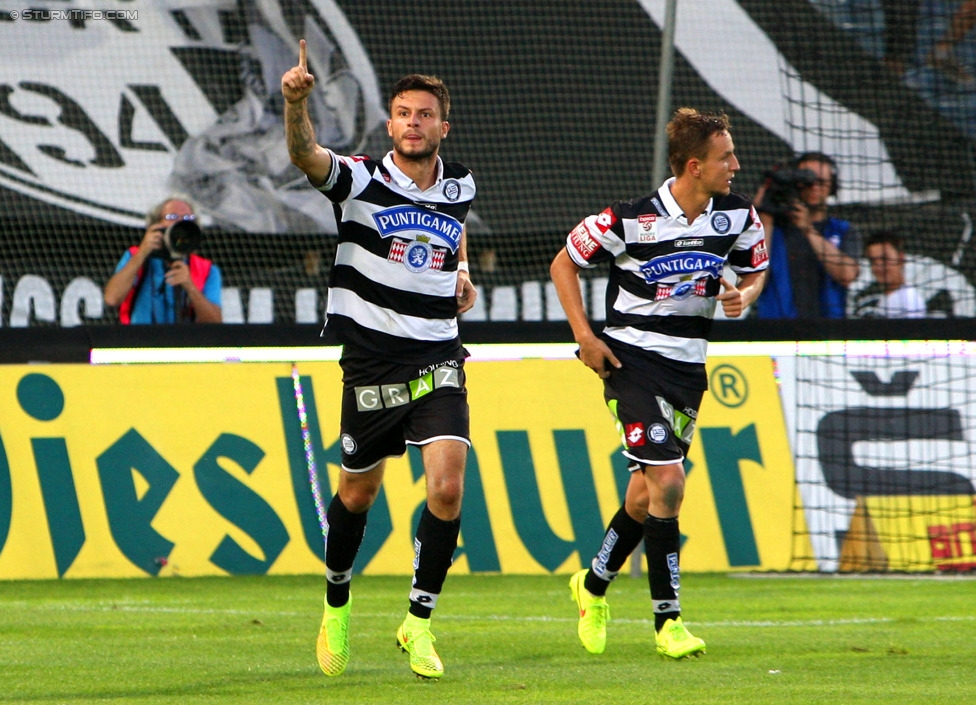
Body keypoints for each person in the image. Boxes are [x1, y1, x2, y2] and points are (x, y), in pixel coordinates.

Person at [282, 40, 477, 680]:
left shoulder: (460, 186)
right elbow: (305, 156)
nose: (412, 123)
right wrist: (294, 104)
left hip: (439, 359)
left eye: (424, 114)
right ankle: (336, 604)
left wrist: (464, 271)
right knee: (357, 493)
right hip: (370, 364)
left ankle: (418, 624)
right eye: (402, 113)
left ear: (442, 127)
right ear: (389, 124)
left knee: (446, 488)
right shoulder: (362, 179)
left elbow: (455, 233)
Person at [549, 108, 767, 659]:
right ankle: (667, 622)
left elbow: (754, 270)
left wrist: (746, 295)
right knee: (669, 483)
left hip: (688, 369)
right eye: (726, 158)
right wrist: (586, 338)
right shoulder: (628, 218)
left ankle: (593, 585)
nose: (736, 166)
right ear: (695, 167)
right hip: (631, 364)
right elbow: (562, 264)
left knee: (644, 497)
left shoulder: (738, 217)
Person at [755, 151, 862, 319]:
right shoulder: (774, 230)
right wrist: (764, 219)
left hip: (828, 331)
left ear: (832, 186)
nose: (813, 187)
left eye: (820, 181)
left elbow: (847, 275)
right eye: (806, 181)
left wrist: (807, 229)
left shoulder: (842, 230)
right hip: (777, 332)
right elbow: (754, 281)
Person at [103, 196, 222, 324]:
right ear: (156, 224)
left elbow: (215, 322)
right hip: (140, 341)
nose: (180, 223)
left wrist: (190, 286)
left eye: (188, 218)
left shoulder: (207, 269)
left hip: (185, 342)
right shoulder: (135, 256)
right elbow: (112, 299)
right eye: (172, 217)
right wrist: (142, 252)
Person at [852, 230, 927, 318]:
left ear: (900, 259)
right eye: (873, 261)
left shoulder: (910, 300)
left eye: (884, 258)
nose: (878, 266)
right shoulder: (878, 299)